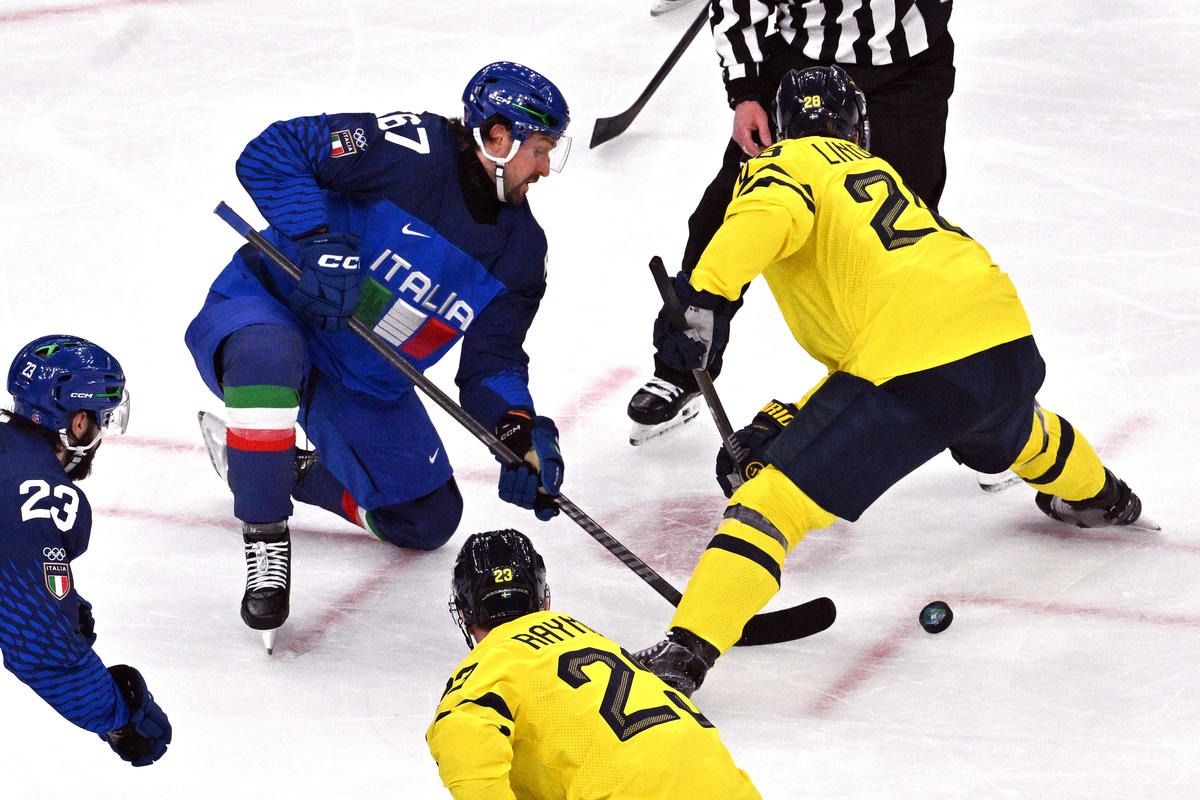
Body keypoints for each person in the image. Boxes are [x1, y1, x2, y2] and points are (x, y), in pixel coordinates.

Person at [634, 66, 1153, 697]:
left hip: (914, 362)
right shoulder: (885, 178)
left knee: (771, 504)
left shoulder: (784, 163)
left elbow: (768, 215)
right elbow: (878, 353)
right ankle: (1106, 496)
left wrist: (703, 301)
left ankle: (682, 656)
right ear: (858, 128)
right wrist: (784, 421)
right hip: (1002, 341)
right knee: (1017, 431)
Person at [185, 61, 571, 649]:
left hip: (361, 379)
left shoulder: (520, 252)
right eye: (540, 150)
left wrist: (518, 432)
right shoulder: (408, 146)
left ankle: (275, 465)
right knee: (271, 354)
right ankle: (264, 533)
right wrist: (317, 241)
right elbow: (274, 151)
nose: (544, 169)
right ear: (498, 136)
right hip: (268, 313)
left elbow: (492, 364)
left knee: (426, 520)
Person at [627, 0, 957, 444]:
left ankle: (973, 403)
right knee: (729, 217)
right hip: (803, 69)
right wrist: (746, 90)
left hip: (909, 70)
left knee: (904, 232)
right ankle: (681, 367)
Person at [427, 529, 761, 799]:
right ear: (543, 600)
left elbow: (464, 745)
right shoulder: (589, 637)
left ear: (466, 614)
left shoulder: (486, 667)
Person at [1, 335, 171, 766]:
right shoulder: (41, 496)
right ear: (78, 423)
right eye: (102, 417)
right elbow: (39, 644)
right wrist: (121, 719)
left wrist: (63, 600)